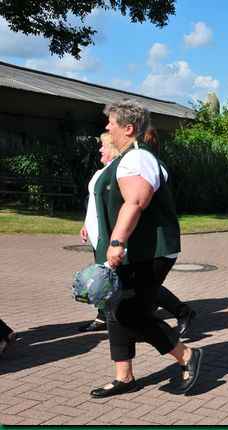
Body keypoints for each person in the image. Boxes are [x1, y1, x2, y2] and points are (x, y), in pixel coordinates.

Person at [89, 99, 201, 398]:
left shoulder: (137, 159)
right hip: (133, 253)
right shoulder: (124, 159)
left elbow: (136, 201)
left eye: (111, 122)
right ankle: (124, 377)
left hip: (148, 251)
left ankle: (187, 355)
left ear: (128, 128)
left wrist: (117, 242)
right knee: (116, 310)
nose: (107, 126)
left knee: (131, 314)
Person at [78, 133, 196, 337]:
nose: (100, 149)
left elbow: (134, 203)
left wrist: (118, 240)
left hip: (121, 241)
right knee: (115, 286)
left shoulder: (135, 166)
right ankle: (107, 319)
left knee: (135, 291)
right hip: (103, 238)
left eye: (104, 145)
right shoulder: (106, 171)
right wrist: (88, 223)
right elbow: (98, 203)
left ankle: (179, 317)